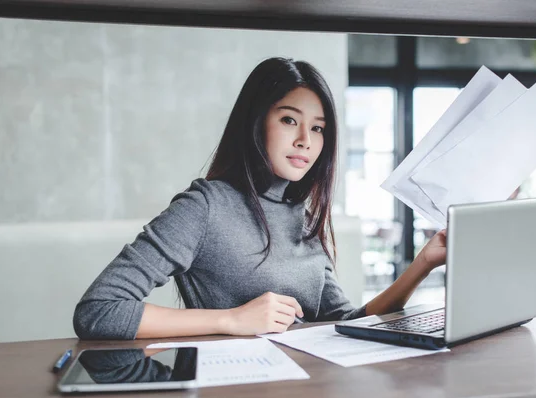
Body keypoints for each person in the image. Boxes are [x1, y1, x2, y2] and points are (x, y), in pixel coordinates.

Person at [73, 57, 447, 340]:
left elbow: (346, 323)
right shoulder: (205, 206)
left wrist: (423, 264)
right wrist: (232, 319)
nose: (305, 139)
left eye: (318, 128)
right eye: (289, 120)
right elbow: (99, 310)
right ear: (255, 122)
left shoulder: (302, 217)